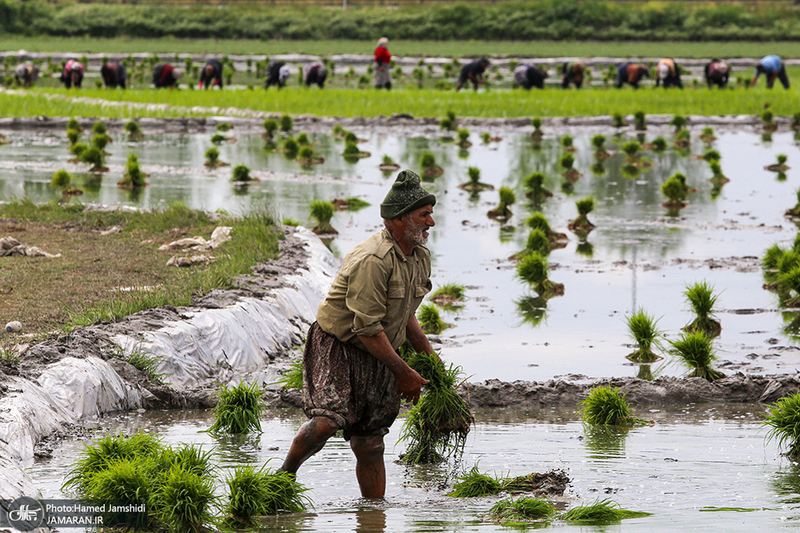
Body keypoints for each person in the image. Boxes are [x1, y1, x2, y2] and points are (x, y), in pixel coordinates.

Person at [281, 169, 438, 498]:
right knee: (327, 422)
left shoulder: (419, 257)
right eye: (424, 215)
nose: (431, 223)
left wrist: (432, 363)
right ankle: (284, 477)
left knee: (370, 442)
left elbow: (406, 313)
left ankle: (372, 516)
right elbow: (366, 329)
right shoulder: (372, 260)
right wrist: (404, 372)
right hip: (339, 345)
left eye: (430, 215)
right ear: (397, 220)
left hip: (379, 352)